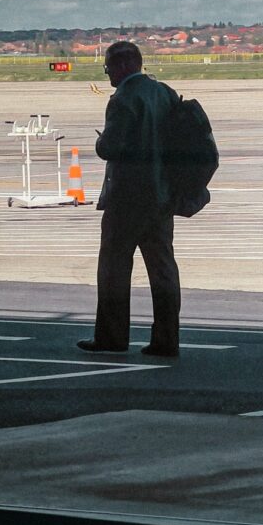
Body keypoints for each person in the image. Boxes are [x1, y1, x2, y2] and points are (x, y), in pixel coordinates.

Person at [77, 40, 181, 358]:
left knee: (114, 267)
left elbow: (111, 147)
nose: (107, 73)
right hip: (161, 195)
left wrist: (100, 143)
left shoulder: (123, 98)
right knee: (163, 268)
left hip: (127, 197)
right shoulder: (164, 92)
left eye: (108, 67)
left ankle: (112, 335)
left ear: (122, 66)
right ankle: (166, 339)